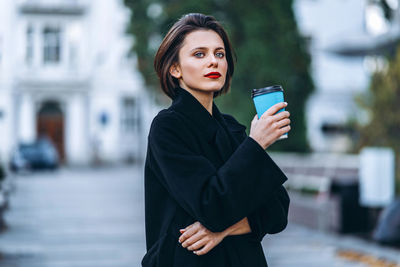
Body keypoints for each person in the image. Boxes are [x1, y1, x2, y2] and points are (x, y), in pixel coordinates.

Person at [143, 13, 291, 267]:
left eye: (219, 54)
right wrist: (255, 144)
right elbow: (211, 205)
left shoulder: (232, 129)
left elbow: (277, 211)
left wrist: (223, 229)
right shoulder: (168, 128)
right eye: (199, 54)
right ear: (175, 68)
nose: (213, 61)